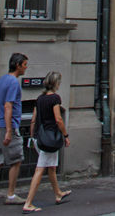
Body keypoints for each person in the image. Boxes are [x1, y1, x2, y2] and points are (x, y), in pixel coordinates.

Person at [22, 72, 71, 213]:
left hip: (39, 137)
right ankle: (28, 202)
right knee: (40, 169)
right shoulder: (55, 98)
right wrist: (65, 135)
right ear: (56, 83)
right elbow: (58, 119)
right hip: (50, 138)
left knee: (51, 168)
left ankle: (58, 193)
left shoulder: (40, 98)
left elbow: (33, 119)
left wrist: (32, 136)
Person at [0, 52, 28, 205]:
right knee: (16, 160)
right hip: (8, 125)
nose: (26, 68)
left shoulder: (1, 80)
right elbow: (8, 106)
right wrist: (9, 130)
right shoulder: (13, 82)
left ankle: (11, 195)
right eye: (24, 65)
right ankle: (11, 195)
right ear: (18, 65)